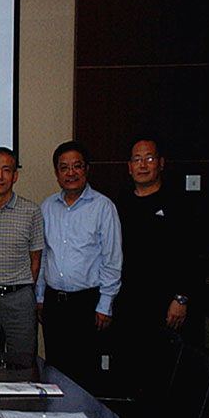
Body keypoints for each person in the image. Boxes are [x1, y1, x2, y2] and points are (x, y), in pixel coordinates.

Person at [114, 138, 197, 401]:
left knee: (164, 381)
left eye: (149, 158)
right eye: (137, 159)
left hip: (167, 308)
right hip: (128, 305)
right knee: (128, 378)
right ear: (129, 167)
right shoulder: (119, 204)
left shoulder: (178, 203)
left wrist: (181, 298)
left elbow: (190, 255)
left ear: (161, 163)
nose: (143, 165)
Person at [36, 141, 122, 392]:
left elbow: (112, 260)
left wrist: (105, 304)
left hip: (87, 303)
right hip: (54, 303)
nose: (70, 173)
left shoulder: (103, 207)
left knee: (85, 375)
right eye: (64, 168)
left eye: (76, 166)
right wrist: (40, 297)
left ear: (87, 169)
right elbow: (43, 256)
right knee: (55, 372)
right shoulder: (47, 207)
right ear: (57, 173)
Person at [0, 147, 44, 369]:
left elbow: (36, 260)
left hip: (20, 300)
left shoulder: (31, 211)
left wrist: (21, 289)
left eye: (6, 170)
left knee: (23, 365)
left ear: (15, 176)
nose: (0, 176)